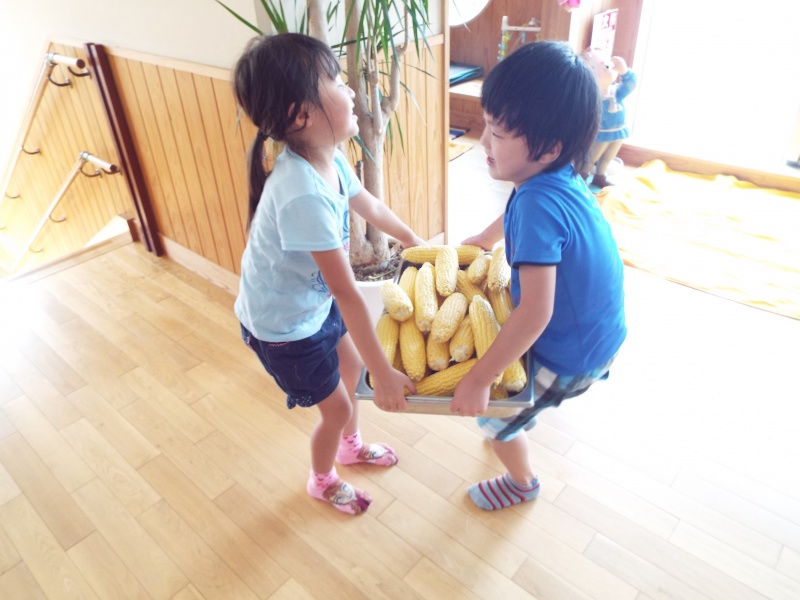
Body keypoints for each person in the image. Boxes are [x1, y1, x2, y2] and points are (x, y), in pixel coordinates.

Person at [232, 33, 426, 515]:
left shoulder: (330, 158)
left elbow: (370, 205)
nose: (352, 90)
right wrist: (385, 375)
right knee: (336, 406)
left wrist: (414, 241)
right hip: (282, 328)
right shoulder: (301, 193)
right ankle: (322, 480)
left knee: (351, 368)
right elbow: (347, 293)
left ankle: (350, 447)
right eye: (338, 82)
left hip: (310, 304)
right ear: (301, 114)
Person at [451, 41, 627, 511]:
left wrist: (480, 379)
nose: (483, 142)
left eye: (497, 134)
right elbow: (517, 210)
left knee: (494, 421)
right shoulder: (553, 175)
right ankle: (513, 424)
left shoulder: (537, 204)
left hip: (572, 351)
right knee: (504, 407)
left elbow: (534, 314)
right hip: (596, 330)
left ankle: (522, 481)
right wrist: (485, 238)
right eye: (486, 125)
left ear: (549, 147)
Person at [580, 48, 638, 188]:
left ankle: (600, 177)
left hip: (618, 131)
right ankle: (582, 177)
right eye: (605, 66)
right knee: (592, 157)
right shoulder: (592, 96)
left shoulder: (616, 91)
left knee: (608, 157)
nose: (610, 67)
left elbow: (630, 85)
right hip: (601, 133)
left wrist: (624, 71)